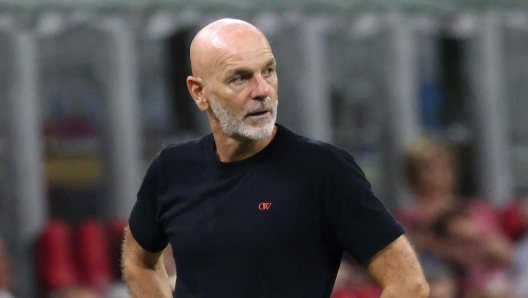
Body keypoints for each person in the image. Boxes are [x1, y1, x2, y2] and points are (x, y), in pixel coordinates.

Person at [121, 18, 428, 298]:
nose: (263, 90)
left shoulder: (323, 170)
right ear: (199, 92)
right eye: (240, 78)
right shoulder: (172, 169)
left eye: (268, 70)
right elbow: (139, 262)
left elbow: (408, 283)